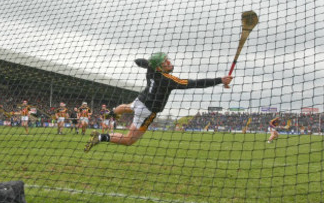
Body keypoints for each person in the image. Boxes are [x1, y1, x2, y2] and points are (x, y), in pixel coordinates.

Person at [85, 52, 232, 151]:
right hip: (147, 111)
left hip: (140, 100)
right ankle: (100, 137)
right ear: (159, 67)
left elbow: (138, 61)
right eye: (164, 62)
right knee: (129, 140)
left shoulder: (151, 69)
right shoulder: (167, 80)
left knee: (127, 107)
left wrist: (149, 63)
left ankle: (110, 114)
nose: (168, 62)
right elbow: (194, 83)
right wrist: (220, 80)